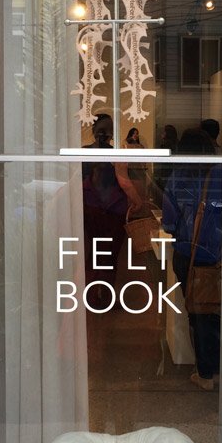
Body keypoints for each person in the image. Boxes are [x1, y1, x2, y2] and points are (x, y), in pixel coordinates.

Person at [162, 129, 222, 391]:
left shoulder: (177, 177)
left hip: (191, 255)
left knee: (199, 314)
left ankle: (206, 373)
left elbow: (168, 224)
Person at [82, 115, 143, 304]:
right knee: (110, 255)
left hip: (89, 208)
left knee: (93, 254)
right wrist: (138, 202)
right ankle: (106, 297)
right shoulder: (117, 153)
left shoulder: (83, 152)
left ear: (93, 131)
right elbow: (124, 182)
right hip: (113, 211)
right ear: (111, 134)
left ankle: (91, 296)